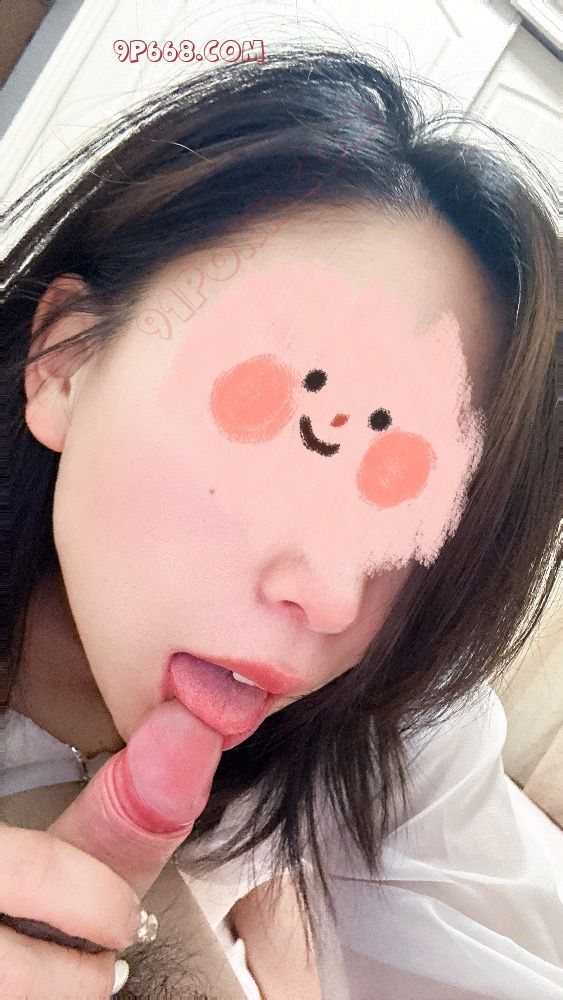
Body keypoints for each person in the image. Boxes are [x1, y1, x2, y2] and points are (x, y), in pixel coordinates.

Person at [1, 44, 561, 999]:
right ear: (66, 363)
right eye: (294, 435)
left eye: (420, 518)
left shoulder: (394, 718)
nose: (337, 599)